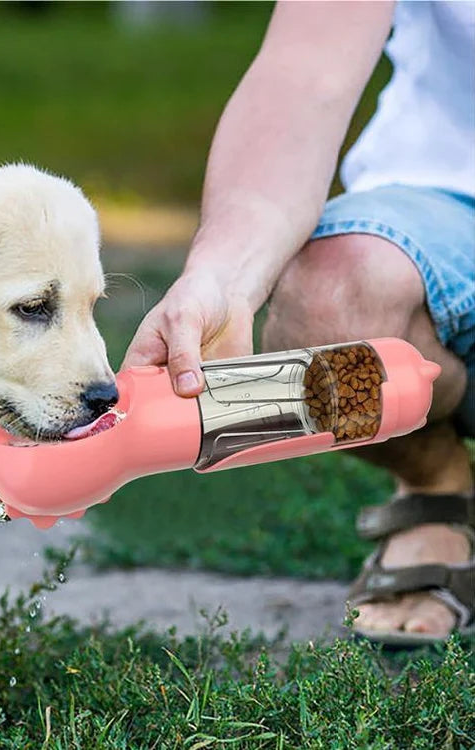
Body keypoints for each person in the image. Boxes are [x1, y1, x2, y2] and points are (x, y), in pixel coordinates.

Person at [122, 0, 474, 644]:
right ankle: (438, 488)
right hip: (448, 194)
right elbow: (303, 74)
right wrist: (223, 278)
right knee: (332, 304)